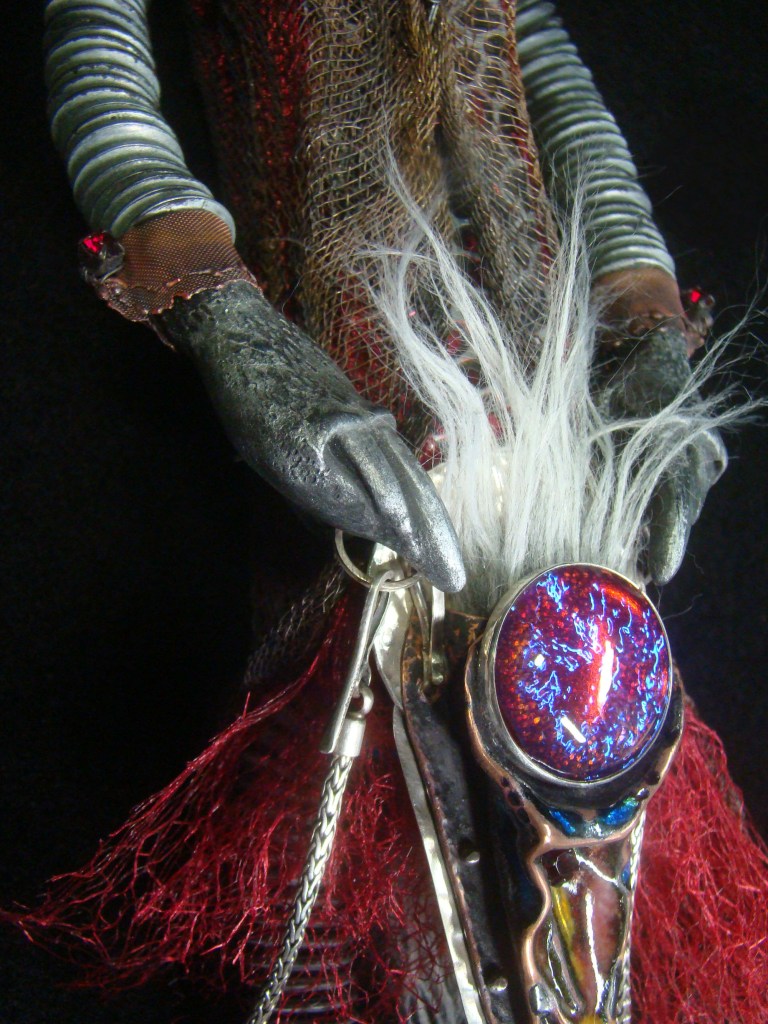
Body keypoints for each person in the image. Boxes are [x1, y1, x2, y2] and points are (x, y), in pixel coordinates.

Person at [4, 2, 766, 1022]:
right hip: (357, 470)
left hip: (554, 483)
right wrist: (216, 303)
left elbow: (542, 61)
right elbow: (95, 35)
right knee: (389, 887)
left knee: (589, 858)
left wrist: (644, 317)